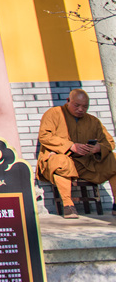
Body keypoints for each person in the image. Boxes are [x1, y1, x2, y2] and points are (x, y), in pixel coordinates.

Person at [37, 88, 116, 218]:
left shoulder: (93, 121)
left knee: (114, 160)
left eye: (85, 106)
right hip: (61, 160)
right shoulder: (54, 114)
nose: (81, 109)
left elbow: (109, 142)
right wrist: (71, 146)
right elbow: (44, 136)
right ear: (68, 101)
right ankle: (68, 205)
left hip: (86, 163)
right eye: (77, 105)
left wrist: (98, 148)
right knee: (61, 162)